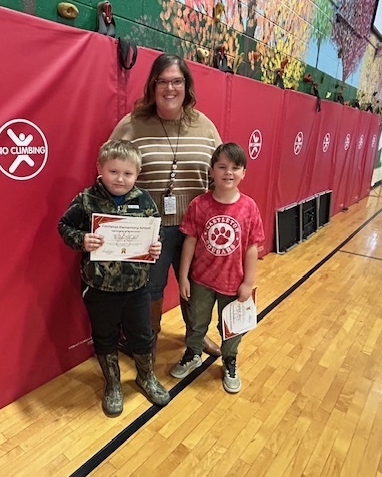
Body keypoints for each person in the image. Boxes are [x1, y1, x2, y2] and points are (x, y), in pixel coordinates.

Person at [109, 53, 223, 357]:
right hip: (149, 225)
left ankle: (196, 336)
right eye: (163, 81)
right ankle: (148, 339)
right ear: (152, 85)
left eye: (177, 81)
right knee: (150, 289)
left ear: (187, 86)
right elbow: (112, 171)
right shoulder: (132, 125)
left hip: (195, 227)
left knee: (196, 284)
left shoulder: (205, 126)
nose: (170, 88)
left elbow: (218, 175)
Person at [58, 140, 170, 417]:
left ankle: (146, 377)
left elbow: (157, 232)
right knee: (105, 337)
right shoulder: (86, 199)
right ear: (100, 168)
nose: (120, 179)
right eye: (113, 171)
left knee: (142, 335)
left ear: (137, 174)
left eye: (127, 174)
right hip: (99, 287)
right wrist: (82, 239)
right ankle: (113, 384)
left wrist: (156, 245)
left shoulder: (144, 199)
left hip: (136, 287)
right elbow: (64, 226)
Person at [169, 143, 264, 393]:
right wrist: (183, 277)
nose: (228, 172)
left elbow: (252, 247)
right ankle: (193, 353)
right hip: (201, 280)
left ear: (244, 172)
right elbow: (189, 241)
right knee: (197, 322)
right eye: (222, 166)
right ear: (211, 171)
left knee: (232, 328)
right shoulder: (199, 205)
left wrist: (248, 282)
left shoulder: (249, 207)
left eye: (235, 167)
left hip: (233, 284)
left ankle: (230, 359)